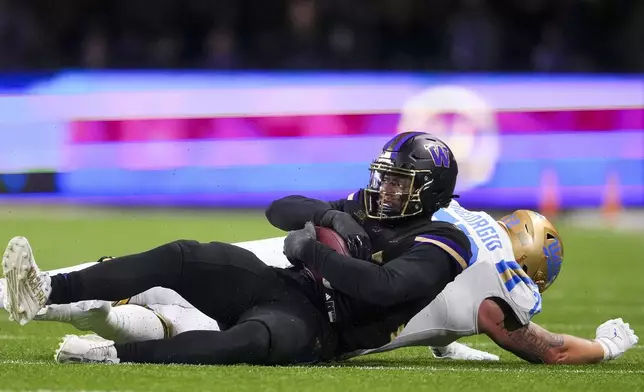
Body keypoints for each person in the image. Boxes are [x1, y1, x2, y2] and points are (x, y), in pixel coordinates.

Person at [3, 131, 472, 365]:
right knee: (182, 255)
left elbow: (384, 288)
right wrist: (328, 216)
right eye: (383, 177)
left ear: (430, 191)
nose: (382, 189)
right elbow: (280, 208)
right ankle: (44, 288)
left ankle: (110, 355)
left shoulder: (443, 242)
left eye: (397, 182)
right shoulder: (362, 208)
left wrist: (313, 251)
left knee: (247, 340)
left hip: (322, 331)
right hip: (286, 287)